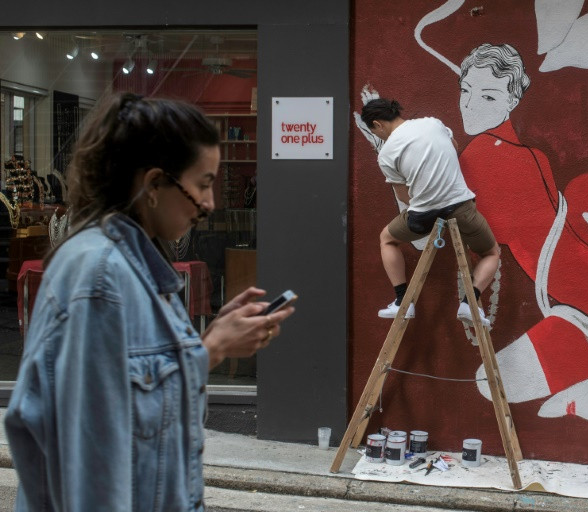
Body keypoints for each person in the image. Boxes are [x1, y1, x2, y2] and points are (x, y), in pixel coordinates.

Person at [4, 92, 295, 512]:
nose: (210, 204)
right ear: (154, 184)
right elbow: (90, 463)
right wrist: (211, 348)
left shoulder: (134, 266)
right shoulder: (100, 277)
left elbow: (136, 393)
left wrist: (212, 344)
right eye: (203, 184)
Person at [457, 43, 588, 401]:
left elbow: (464, 230)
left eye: (488, 97)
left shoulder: (488, 156)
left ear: (511, 102)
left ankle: (587, 339)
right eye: (465, 91)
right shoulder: (524, 155)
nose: (470, 105)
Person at [360, 98, 500, 326]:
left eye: (375, 132)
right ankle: (469, 303)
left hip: (422, 215)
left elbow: (403, 196)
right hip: (461, 207)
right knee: (491, 252)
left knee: (387, 238)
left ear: (377, 125)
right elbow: (454, 147)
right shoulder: (433, 123)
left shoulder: (386, 154)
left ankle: (402, 302)